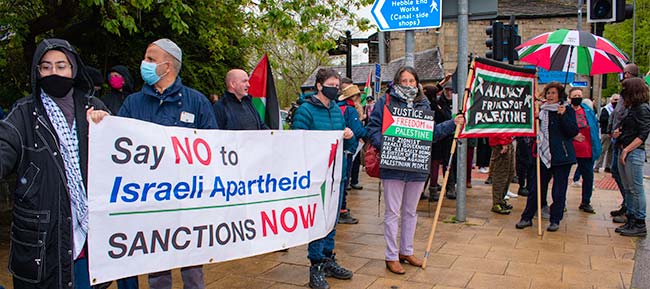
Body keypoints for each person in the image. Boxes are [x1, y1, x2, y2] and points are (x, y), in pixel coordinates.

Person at [90, 38, 216, 289]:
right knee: (156, 266)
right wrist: (101, 123)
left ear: (167, 66)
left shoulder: (196, 102)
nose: (143, 64)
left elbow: (213, 150)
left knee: (192, 264)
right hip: (150, 201)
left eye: (150, 59)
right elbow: (117, 145)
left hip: (187, 201)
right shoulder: (134, 103)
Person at [0, 38, 109, 288]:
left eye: (61, 66)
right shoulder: (24, 113)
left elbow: (119, 160)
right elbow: (4, 144)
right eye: (46, 67)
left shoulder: (94, 108)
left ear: (73, 69)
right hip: (42, 245)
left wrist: (106, 128)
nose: (54, 72)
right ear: (37, 72)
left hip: (89, 243)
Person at [367, 67, 463, 275]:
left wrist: (452, 124)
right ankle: (391, 256)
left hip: (417, 165)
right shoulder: (386, 102)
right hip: (393, 165)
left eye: (412, 81)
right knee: (393, 212)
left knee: (411, 211)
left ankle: (406, 251)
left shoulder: (424, 103)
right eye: (404, 81)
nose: (408, 84)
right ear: (397, 82)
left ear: (417, 82)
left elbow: (432, 133)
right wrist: (386, 145)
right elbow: (372, 128)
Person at [291, 68, 354, 289]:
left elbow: (346, 145)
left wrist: (348, 135)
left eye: (338, 86)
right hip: (316, 177)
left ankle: (328, 258)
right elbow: (296, 142)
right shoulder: (306, 111)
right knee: (317, 221)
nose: (335, 89)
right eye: (331, 85)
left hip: (336, 175)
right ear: (319, 85)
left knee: (331, 220)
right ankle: (315, 264)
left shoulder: (337, 110)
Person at [516, 82, 578, 232]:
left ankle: (555, 219)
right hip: (542, 156)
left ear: (560, 95)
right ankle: (527, 217)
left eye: (553, 93)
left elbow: (572, 131)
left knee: (558, 190)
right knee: (536, 188)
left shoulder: (567, 110)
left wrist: (563, 116)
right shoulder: (541, 110)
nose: (550, 96)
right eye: (548, 93)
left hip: (561, 157)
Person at [613, 77, 650, 237]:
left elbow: (643, 134)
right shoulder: (632, 108)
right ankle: (631, 218)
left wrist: (627, 149)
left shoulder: (642, 108)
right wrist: (619, 133)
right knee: (629, 188)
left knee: (635, 188)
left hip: (633, 152)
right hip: (625, 148)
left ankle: (639, 222)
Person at [609, 63, 639, 223]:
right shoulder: (623, 94)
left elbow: (626, 116)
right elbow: (617, 113)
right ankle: (626, 203)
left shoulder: (633, 96)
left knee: (630, 181)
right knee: (616, 172)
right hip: (617, 138)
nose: (622, 76)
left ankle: (630, 208)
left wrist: (620, 130)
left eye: (624, 73)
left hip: (624, 140)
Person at [336, 84, 367, 224]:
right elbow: (358, 131)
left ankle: (336, 210)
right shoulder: (351, 110)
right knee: (344, 180)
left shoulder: (337, 107)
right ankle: (342, 211)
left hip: (337, 148)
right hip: (347, 148)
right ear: (354, 98)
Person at [568, 87, 602, 213]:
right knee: (562, 176)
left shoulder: (587, 110)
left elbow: (594, 127)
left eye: (579, 95)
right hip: (570, 147)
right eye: (575, 95)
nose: (577, 97)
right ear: (570, 97)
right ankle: (561, 202)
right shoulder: (566, 110)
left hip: (586, 148)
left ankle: (586, 202)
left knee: (588, 176)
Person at [427, 80, 455, 200]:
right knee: (433, 166)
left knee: (446, 164)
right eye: (446, 89)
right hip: (437, 140)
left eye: (450, 90)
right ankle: (432, 190)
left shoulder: (434, 102)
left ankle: (448, 187)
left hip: (445, 137)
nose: (448, 92)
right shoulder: (434, 104)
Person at [489, 136, 515, 214]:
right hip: (500, 143)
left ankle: (501, 199)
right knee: (500, 174)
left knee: (509, 173)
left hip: (507, 140)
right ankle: (497, 202)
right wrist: (503, 141)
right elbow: (499, 126)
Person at [595, 94, 619, 173]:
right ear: (611, 100)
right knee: (603, 150)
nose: (617, 102)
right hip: (606, 133)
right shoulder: (606, 109)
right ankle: (597, 166)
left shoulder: (619, 109)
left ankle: (608, 166)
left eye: (618, 100)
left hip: (614, 133)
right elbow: (602, 119)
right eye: (615, 100)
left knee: (611, 151)